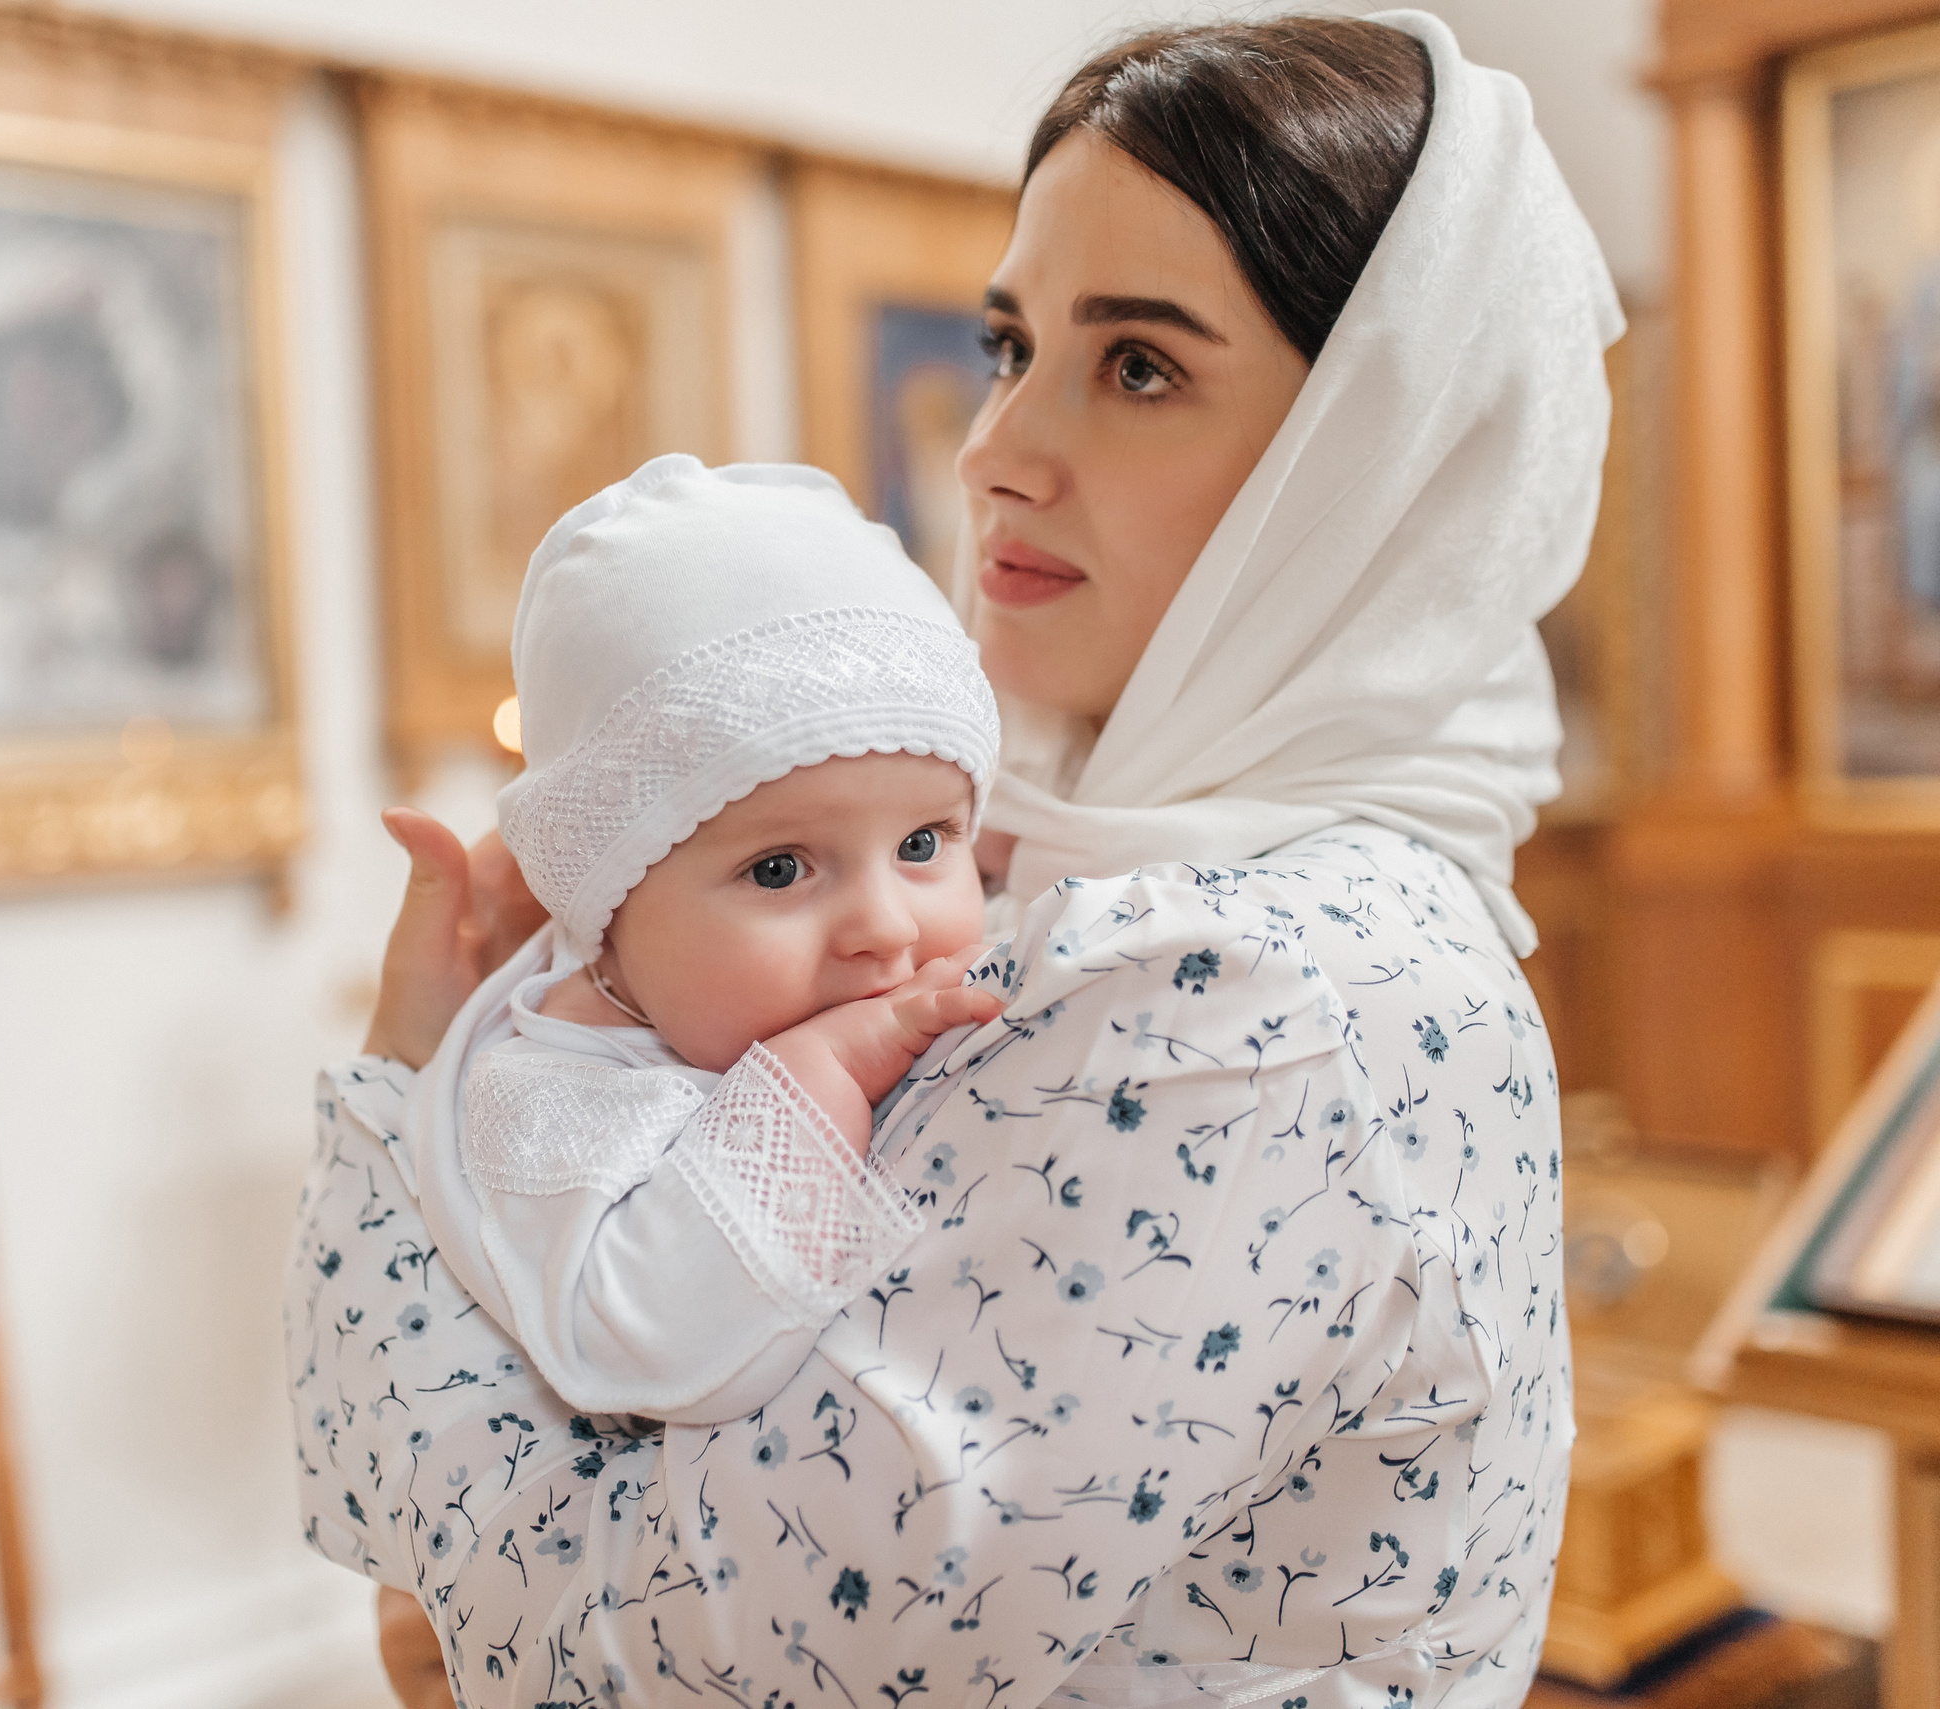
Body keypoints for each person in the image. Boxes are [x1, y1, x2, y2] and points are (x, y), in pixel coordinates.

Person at [287, 12, 1616, 1707]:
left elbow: (640, 1661)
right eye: (1012, 344)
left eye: (1139, 366)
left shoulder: (1248, 994)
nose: (995, 448)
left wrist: (405, 1098)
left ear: (1374, 451)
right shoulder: (1074, 860)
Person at [401, 454, 1005, 1425]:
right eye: (779, 869)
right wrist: (820, 1070)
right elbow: (654, 1351)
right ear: (606, 920)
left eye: (923, 844)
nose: (888, 927)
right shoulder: (550, 1090)